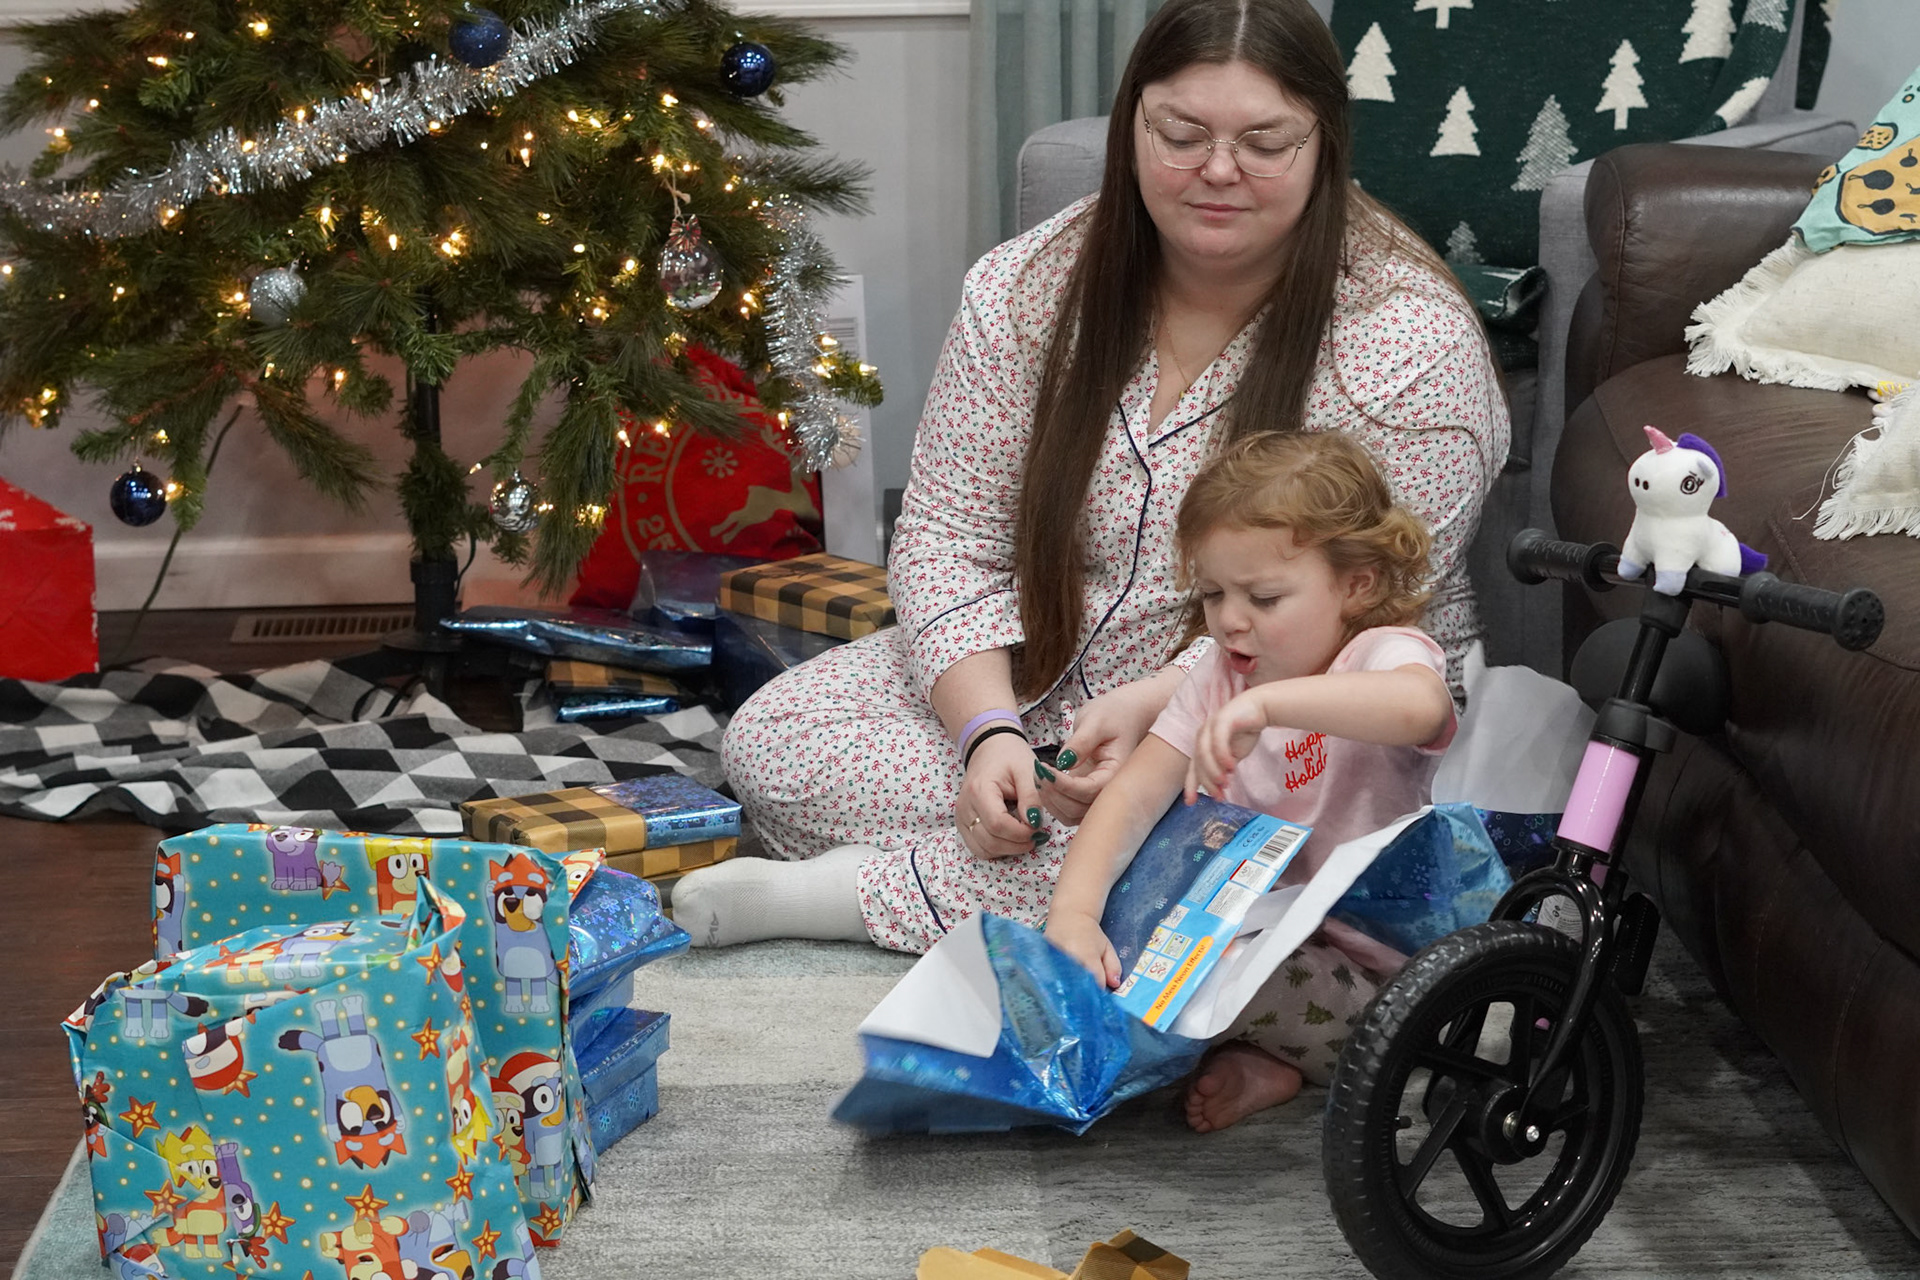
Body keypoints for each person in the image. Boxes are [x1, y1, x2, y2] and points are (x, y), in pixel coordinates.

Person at [671, 0, 1507, 955]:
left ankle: (856, 893)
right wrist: (988, 735)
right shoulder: (1028, 285)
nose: (1219, 170)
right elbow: (948, 535)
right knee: (773, 739)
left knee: (1218, 830)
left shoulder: (1408, 344)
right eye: (1181, 135)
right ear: (1130, 127)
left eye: (1266, 143)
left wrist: (1163, 718)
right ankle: (1053, 863)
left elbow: (1358, 609)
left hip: (1292, 715)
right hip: (1048, 676)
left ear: (1326, 143)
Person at [1044, 430, 1456, 1132]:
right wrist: (1074, 917)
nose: (1230, 619)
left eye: (1264, 598)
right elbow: (1132, 798)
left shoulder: (1382, 654)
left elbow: (1422, 708)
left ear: (1356, 585)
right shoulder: (1217, 675)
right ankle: (1264, 1059)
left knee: (1225, 981)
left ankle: (1270, 1052)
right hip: (1245, 932)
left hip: (1381, 984)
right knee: (1103, 954)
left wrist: (1269, 706)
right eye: (1213, 593)